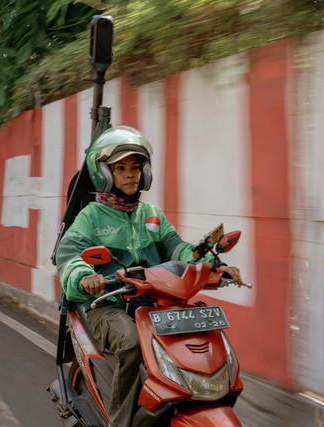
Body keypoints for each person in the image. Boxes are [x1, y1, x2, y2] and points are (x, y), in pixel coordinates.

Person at [55, 125, 243, 427]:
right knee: (129, 342)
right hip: (109, 305)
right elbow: (69, 256)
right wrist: (84, 275)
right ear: (105, 174)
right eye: (121, 168)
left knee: (199, 334)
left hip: (156, 304)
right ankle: (120, 422)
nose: (131, 174)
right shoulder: (91, 215)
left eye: (136, 167)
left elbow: (178, 250)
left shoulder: (152, 214)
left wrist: (210, 263)